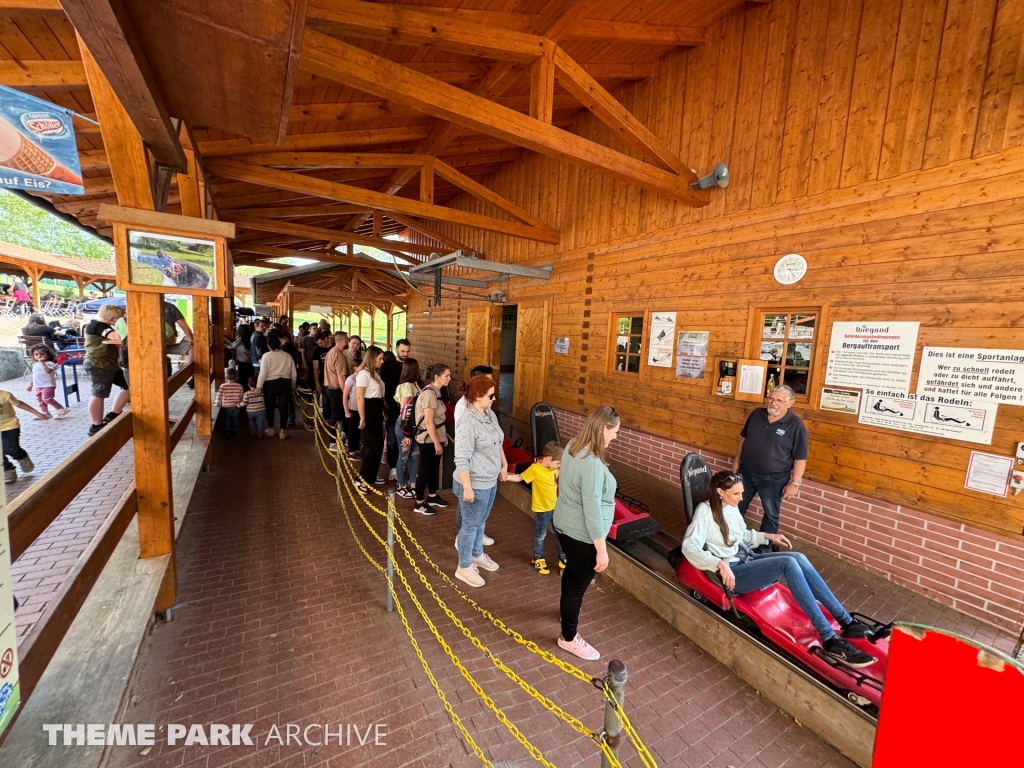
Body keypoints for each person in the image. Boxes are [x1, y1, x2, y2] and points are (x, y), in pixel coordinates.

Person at [682, 471, 876, 668]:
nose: (741, 498)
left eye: (742, 493)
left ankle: (847, 622)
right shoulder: (705, 511)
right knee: (788, 564)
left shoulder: (731, 508)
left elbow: (743, 536)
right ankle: (829, 639)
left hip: (747, 558)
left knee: (798, 557)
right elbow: (689, 546)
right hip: (734, 573)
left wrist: (768, 536)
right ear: (720, 492)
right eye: (736, 494)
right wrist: (719, 564)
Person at [552, 405, 620, 662]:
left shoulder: (573, 444)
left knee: (571, 578)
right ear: (604, 428)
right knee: (576, 587)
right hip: (582, 535)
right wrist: (601, 550)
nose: (616, 436)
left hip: (564, 525)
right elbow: (591, 508)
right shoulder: (591, 462)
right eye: (615, 431)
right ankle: (568, 638)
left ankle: (565, 613)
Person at [732, 385, 808, 547]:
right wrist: (736, 461)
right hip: (746, 472)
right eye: (771, 398)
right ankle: (733, 539)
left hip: (774, 478)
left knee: (771, 515)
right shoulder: (756, 414)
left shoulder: (795, 425)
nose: (773, 403)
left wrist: (795, 483)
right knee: (735, 507)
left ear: (790, 403)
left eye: (779, 400)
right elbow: (743, 439)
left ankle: (764, 548)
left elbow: (800, 458)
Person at [452, 375, 506, 588]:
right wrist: (467, 487)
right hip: (473, 482)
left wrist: (503, 465)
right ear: (478, 396)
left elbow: (498, 442)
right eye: (491, 396)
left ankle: (476, 554)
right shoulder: (467, 422)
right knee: (470, 525)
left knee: (480, 521)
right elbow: (461, 458)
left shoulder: (490, 414)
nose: (494, 399)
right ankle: (463, 567)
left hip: (489, 479)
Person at [507, 442, 565, 575]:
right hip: (542, 510)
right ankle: (538, 558)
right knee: (541, 535)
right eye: (558, 464)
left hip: (555, 507)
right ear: (549, 459)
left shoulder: (554, 469)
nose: (559, 467)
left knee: (560, 533)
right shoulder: (535, 469)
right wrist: (506, 477)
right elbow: (519, 477)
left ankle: (563, 558)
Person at [84, 304, 129, 437]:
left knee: (129, 387)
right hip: (98, 363)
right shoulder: (97, 326)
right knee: (99, 393)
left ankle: (113, 414)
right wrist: (123, 327)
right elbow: (117, 336)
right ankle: (96, 425)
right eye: (119, 320)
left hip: (110, 363)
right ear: (112, 319)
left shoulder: (104, 326)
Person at [413, 364, 452, 516]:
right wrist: (436, 442)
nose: (449, 378)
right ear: (437, 377)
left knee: (433, 468)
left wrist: (442, 437)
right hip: (428, 439)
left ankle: (432, 496)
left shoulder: (437, 391)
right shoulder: (429, 394)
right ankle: (419, 502)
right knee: (425, 470)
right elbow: (429, 421)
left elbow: (438, 419)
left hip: (436, 435)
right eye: (446, 376)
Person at [354, 346, 386, 492]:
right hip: (369, 409)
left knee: (378, 445)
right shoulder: (364, 374)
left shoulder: (375, 374)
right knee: (371, 446)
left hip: (377, 409)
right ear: (372, 358)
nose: (382, 361)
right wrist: (362, 417)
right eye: (379, 358)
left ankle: (371, 475)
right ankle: (361, 478)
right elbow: (360, 396)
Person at [0, 388, 46, 483]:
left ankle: (21, 456)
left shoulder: (6, 395)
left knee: (9, 447)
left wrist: (37, 413)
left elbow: (20, 404)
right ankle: (7, 469)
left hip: (10, 426)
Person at [380, 339, 411, 480]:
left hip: (407, 409)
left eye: (407, 351)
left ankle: (404, 465)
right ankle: (393, 466)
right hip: (392, 407)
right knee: (392, 438)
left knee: (406, 439)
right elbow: (382, 386)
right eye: (403, 351)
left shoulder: (410, 365)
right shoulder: (387, 365)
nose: (405, 354)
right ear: (397, 350)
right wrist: (385, 404)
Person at [256, 333, 296, 440]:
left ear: (268, 345)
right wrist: (293, 384)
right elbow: (294, 372)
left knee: (270, 407)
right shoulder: (287, 355)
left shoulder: (266, 356)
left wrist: (258, 386)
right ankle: (282, 431)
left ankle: (271, 429)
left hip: (270, 384)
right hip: (285, 383)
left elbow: (263, 372)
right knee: (284, 408)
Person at [393, 357, 421, 499]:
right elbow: (405, 411)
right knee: (403, 456)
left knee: (414, 455)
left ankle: (413, 483)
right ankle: (401, 485)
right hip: (406, 427)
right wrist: (407, 433)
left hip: (414, 426)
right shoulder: (405, 387)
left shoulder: (414, 385)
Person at [323, 331, 350, 450]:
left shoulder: (330, 352)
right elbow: (341, 377)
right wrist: (346, 393)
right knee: (336, 415)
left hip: (328, 388)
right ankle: (333, 442)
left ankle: (339, 435)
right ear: (344, 341)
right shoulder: (340, 356)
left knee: (336, 415)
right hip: (336, 389)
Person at [26, 345, 69, 419]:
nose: (39, 356)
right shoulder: (35, 365)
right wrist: (31, 384)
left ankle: (60, 409)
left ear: (48, 355)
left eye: (42, 354)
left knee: (47, 399)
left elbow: (48, 371)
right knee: (40, 399)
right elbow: (34, 375)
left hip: (48, 385)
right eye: (36, 354)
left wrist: (43, 363)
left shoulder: (50, 363)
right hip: (38, 385)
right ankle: (45, 412)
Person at [215, 369, 244, 436]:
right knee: (235, 417)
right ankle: (235, 430)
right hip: (237, 405)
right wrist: (241, 403)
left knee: (227, 417)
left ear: (226, 376)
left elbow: (219, 396)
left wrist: (217, 403)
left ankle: (228, 430)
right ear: (236, 377)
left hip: (226, 406)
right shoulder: (239, 386)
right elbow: (241, 396)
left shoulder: (223, 386)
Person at [228, 324, 254, 391]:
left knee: (242, 379)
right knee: (249, 378)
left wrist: (223, 339)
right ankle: (249, 392)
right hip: (250, 362)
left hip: (242, 362)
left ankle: (243, 393)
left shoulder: (241, 339)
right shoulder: (251, 338)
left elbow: (231, 346)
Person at [342, 369, 361, 459]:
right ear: (355, 367)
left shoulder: (360, 378)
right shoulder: (351, 379)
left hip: (359, 408)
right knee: (352, 430)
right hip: (352, 407)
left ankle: (356, 448)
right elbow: (345, 395)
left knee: (357, 430)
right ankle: (352, 450)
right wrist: (346, 411)